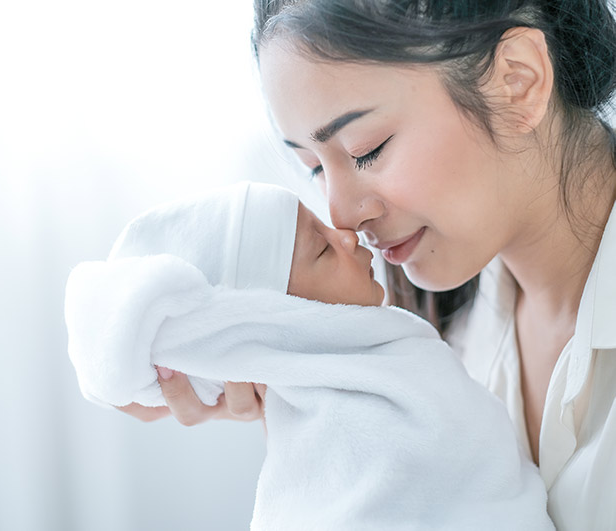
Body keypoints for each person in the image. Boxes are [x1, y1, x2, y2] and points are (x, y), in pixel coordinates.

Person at [119, 2, 616, 528]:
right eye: (313, 169)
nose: (341, 215)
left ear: (519, 80)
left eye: (366, 150)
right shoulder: (427, 341)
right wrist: (327, 441)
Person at [65, 181, 553, 530]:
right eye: (321, 250)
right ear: (278, 318)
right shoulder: (337, 425)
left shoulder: (393, 353)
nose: (347, 232)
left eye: (366, 149)